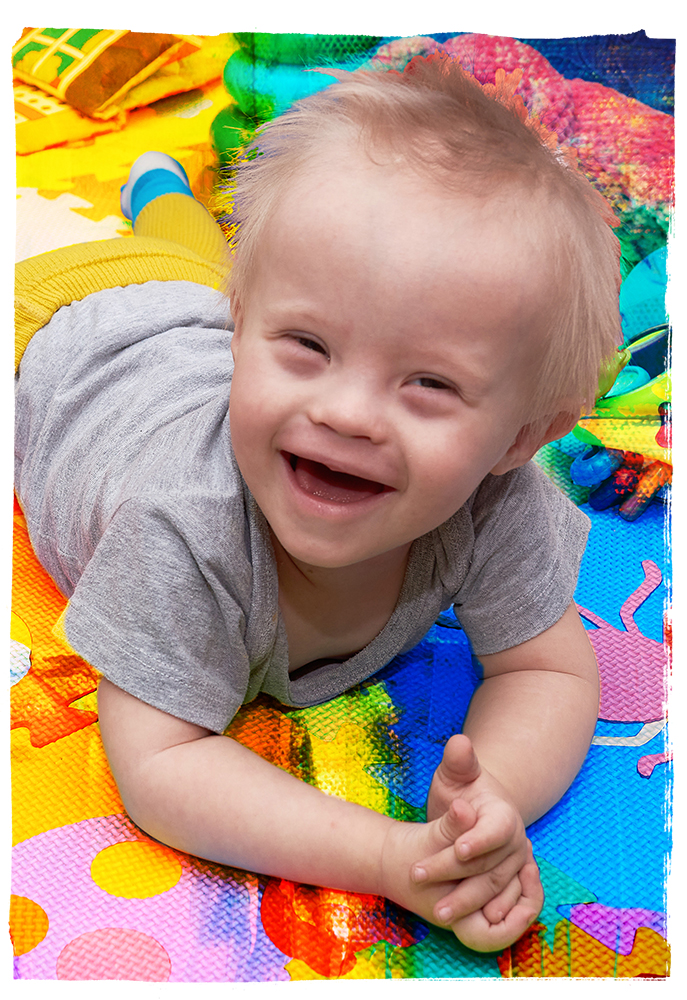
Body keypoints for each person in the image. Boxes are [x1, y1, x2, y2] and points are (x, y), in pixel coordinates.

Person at [14, 54, 622, 953]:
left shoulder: (499, 503)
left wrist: (482, 812)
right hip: (49, 324)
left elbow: (548, 673)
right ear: (246, 330)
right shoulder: (182, 522)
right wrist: (389, 858)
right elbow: (161, 762)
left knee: (196, 256)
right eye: (306, 346)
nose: (343, 411)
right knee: (180, 257)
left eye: (426, 383)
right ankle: (156, 196)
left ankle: (159, 190)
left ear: (521, 440)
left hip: (193, 305)